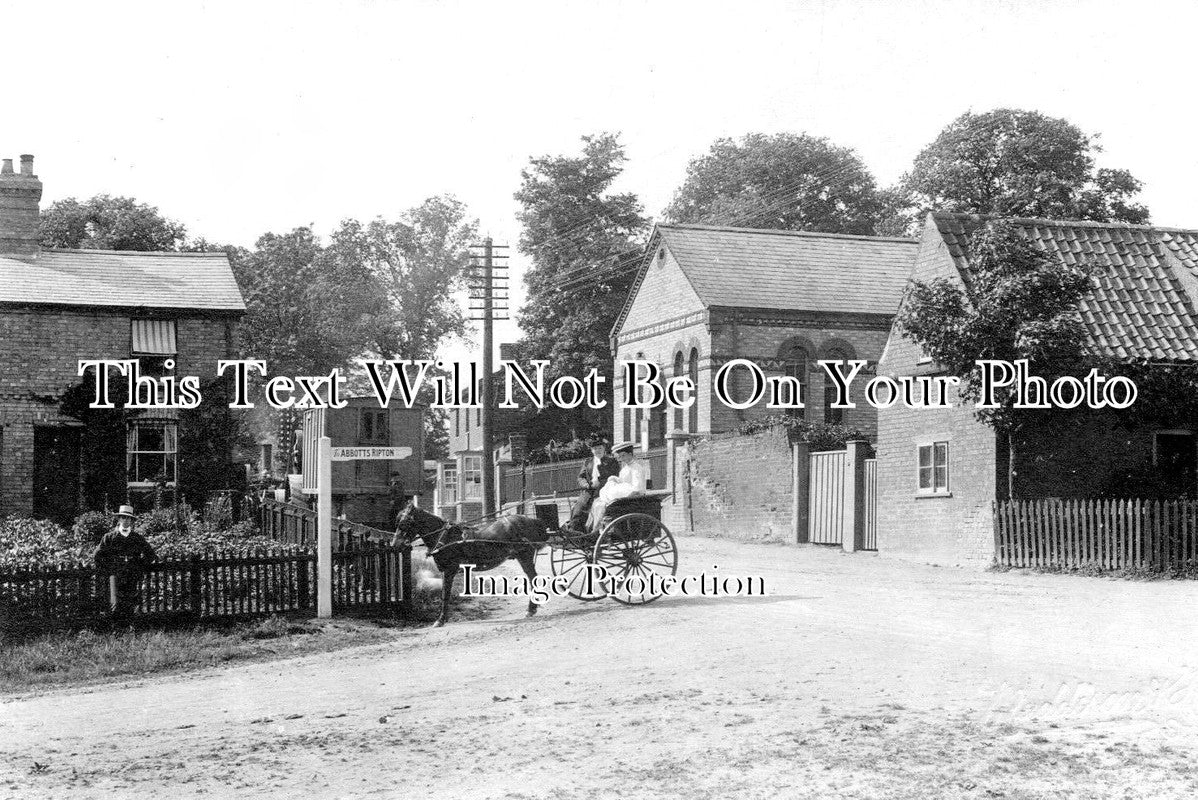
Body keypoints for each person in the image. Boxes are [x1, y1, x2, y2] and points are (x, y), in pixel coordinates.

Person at [93, 505, 156, 623]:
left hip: (132, 573)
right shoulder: (109, 537)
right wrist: (109, 568)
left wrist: (138, 565)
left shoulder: (137, 538)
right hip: (115, 573)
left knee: (130, 602)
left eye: (129, 518)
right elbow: (97, 555)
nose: (126, 520)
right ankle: (116, 629)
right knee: (115, 603)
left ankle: (129, 628)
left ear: (132, 521)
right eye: (123, 517)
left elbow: (151, 555)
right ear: (119, 519)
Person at [587, 441, 647, 532]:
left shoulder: (636, 468)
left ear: (630, 454)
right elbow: (623, 483)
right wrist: (615, 480)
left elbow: (637, 488)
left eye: (623, 455)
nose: (621, 458)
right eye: (620, 456)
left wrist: (621, 497)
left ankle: (597, 530)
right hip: (625, 496)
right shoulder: (625, 468)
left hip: (634, 498)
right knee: (597, 502)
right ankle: (594, 528)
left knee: (603, 503)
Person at [568, 436, 620, 532]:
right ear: (592, 450)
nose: (598, 450)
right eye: (595, 449)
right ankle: (575, 531)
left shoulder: (612, 461)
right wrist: (586, 485)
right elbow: (581, 477)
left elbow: (615, 477)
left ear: (604, 449)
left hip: (605, 490)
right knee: (579, 508)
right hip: (589, 491)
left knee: (597, 510)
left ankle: (593, 532)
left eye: (600, 448)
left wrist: (600, 483)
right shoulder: (588, 462)